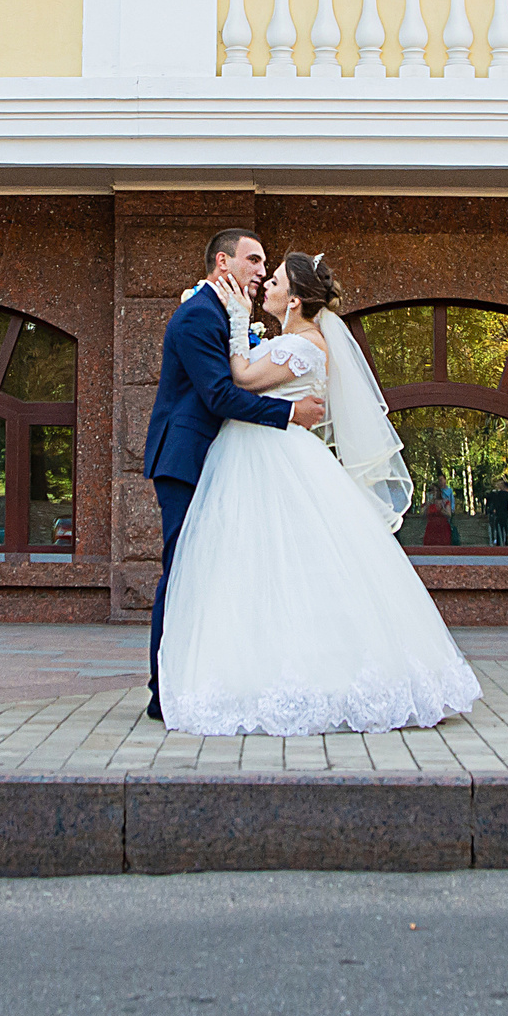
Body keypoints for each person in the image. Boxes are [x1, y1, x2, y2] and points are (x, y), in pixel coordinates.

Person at [154, 251, 481, 736]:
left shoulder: (305, 345)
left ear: (296, 299)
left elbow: (241, 379)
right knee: (255, 568)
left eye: (277, 280)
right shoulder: (289, 339)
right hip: (253, 455)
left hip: (272, 457)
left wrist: (239, 319)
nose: (267, 283)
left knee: (289, 567)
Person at [140, 229, 327, 723]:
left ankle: (208, 676)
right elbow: (221, 395)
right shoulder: (199, 315)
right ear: (223, 262)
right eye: (254, 260)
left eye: (266, 264)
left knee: (214, 573)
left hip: (221, 461)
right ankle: (163, 691)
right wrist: (289, 416)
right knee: (181, 572)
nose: (261, 271)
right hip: (185, 458)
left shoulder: (225, 315)